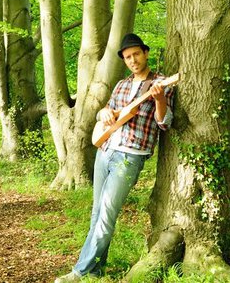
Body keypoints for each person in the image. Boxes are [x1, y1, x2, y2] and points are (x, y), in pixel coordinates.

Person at [55, 33, 174, 282]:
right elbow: (106, 112)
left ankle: (80, 272)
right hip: (105, 150)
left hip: (129, 156)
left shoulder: (161, 82)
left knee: (107, 214)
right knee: (97, 212)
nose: (132, 60)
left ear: (146, 53)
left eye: (136, 54)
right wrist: (104, 113)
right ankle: (97, 269)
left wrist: (160, 98)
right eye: (128, 57)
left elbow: (164, 123)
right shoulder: (121, 85)